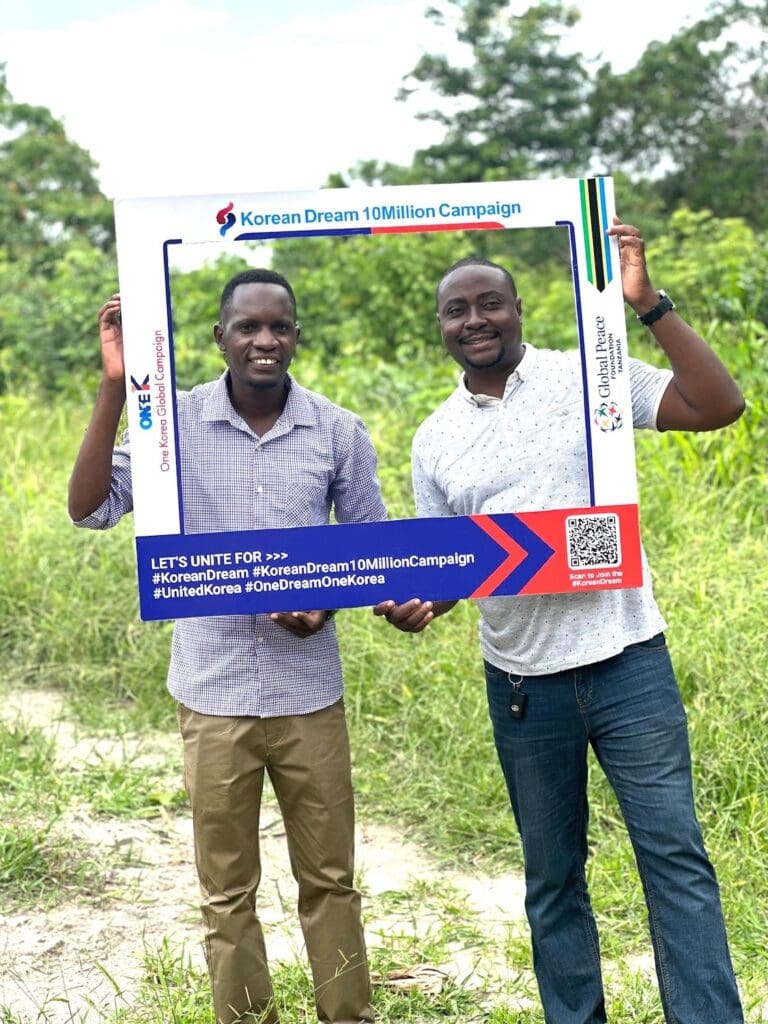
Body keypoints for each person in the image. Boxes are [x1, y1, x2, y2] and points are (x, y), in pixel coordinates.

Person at [374, 218, 746, 1024]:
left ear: (519, 310)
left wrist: (648, 305)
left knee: (675, 861)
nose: (474, 320)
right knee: (552, 879)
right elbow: (454, 565)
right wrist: (422, 600)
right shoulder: (434, 439)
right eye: (456, 311)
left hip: (627, 661)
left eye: (490, 304)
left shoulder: (593, 377)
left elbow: (719, 405)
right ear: (439, 328)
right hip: (522, 687)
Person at [69, 269, 384, 1024]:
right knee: (226, 890)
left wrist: (328, 600)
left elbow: (373, 551)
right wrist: (116, 387)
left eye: (279, 326)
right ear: (221, 338)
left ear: (297, 336)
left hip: (310, 692)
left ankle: (350, 1016)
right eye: (248, 326)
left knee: (331, 879)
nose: (265, 340)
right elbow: (89, 508)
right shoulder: (166, 426)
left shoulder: (338, 431)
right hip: (212, 696)